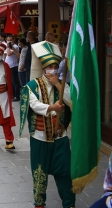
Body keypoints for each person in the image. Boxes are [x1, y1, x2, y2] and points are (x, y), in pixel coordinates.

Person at [19, 41, 74, 208]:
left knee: (65, 173)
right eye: (50, 66)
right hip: (40, 138)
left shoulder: (63, 85)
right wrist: (52, 108)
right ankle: (40, 203)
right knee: (39, 174)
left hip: (60, 138)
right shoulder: (31, 86)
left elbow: (71, 101)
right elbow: (34, 105)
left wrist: (58, 84)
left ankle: (69, 204)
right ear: (43, 68)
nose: (53, 69)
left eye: (56, 66)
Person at [4, 35, 20, 101]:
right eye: (8, 40)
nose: (9, 42)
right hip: (8, 65)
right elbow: (5, 55)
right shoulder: (7, 47)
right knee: (9, 81)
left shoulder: (15, 47)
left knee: (14, 81)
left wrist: (8, 46)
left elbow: (9, 53)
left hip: (13, 66)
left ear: (13, 40)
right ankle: (12, 95)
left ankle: (17, 95)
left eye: (10, 40)